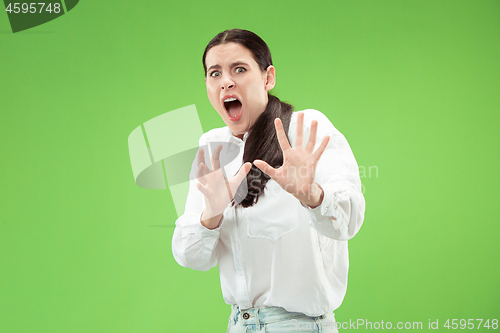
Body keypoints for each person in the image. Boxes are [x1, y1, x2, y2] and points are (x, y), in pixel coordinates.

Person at [172, 29, 365, 332]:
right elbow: (190, 257)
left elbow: (349, 221)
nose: (226, 81)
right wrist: (211, 215)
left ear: (268, 77)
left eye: (239, 69)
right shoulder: (211, 148)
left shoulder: (306, 128)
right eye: (215, 73)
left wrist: (312, 195)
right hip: (239, 324)